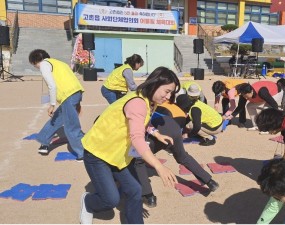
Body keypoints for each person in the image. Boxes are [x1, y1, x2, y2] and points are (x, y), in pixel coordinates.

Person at [79, 67, 179, 224]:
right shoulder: (137, 103)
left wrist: (156, 133)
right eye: (166, 91)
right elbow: (137, 139)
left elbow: (142, 122)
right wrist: (159, 167)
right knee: (111, 200)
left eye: (171, 93)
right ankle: (88, 202)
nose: (168, 96)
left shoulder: (149, 101)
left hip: (117, 155)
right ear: (154, 84)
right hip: (97, 153)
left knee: (135, 190)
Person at [129, 98, 219, 208]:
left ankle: (149, 197)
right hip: (173, 127)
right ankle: (210, 182)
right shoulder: (173, 108)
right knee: (183, 157)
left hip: (157, 130)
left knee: (138, 161)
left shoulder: (136, 108)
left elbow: (140, 130)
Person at [28, 49, 85, 160]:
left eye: (34, 65)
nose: (36, 67)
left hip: (68, 96)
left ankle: (83, 152)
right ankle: (44, 140)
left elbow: (52, 86)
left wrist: (52, 104)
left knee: (71, 127)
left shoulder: (44, 64)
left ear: (35, 61)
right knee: (57, 119)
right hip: (75, 92)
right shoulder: (60, 63)